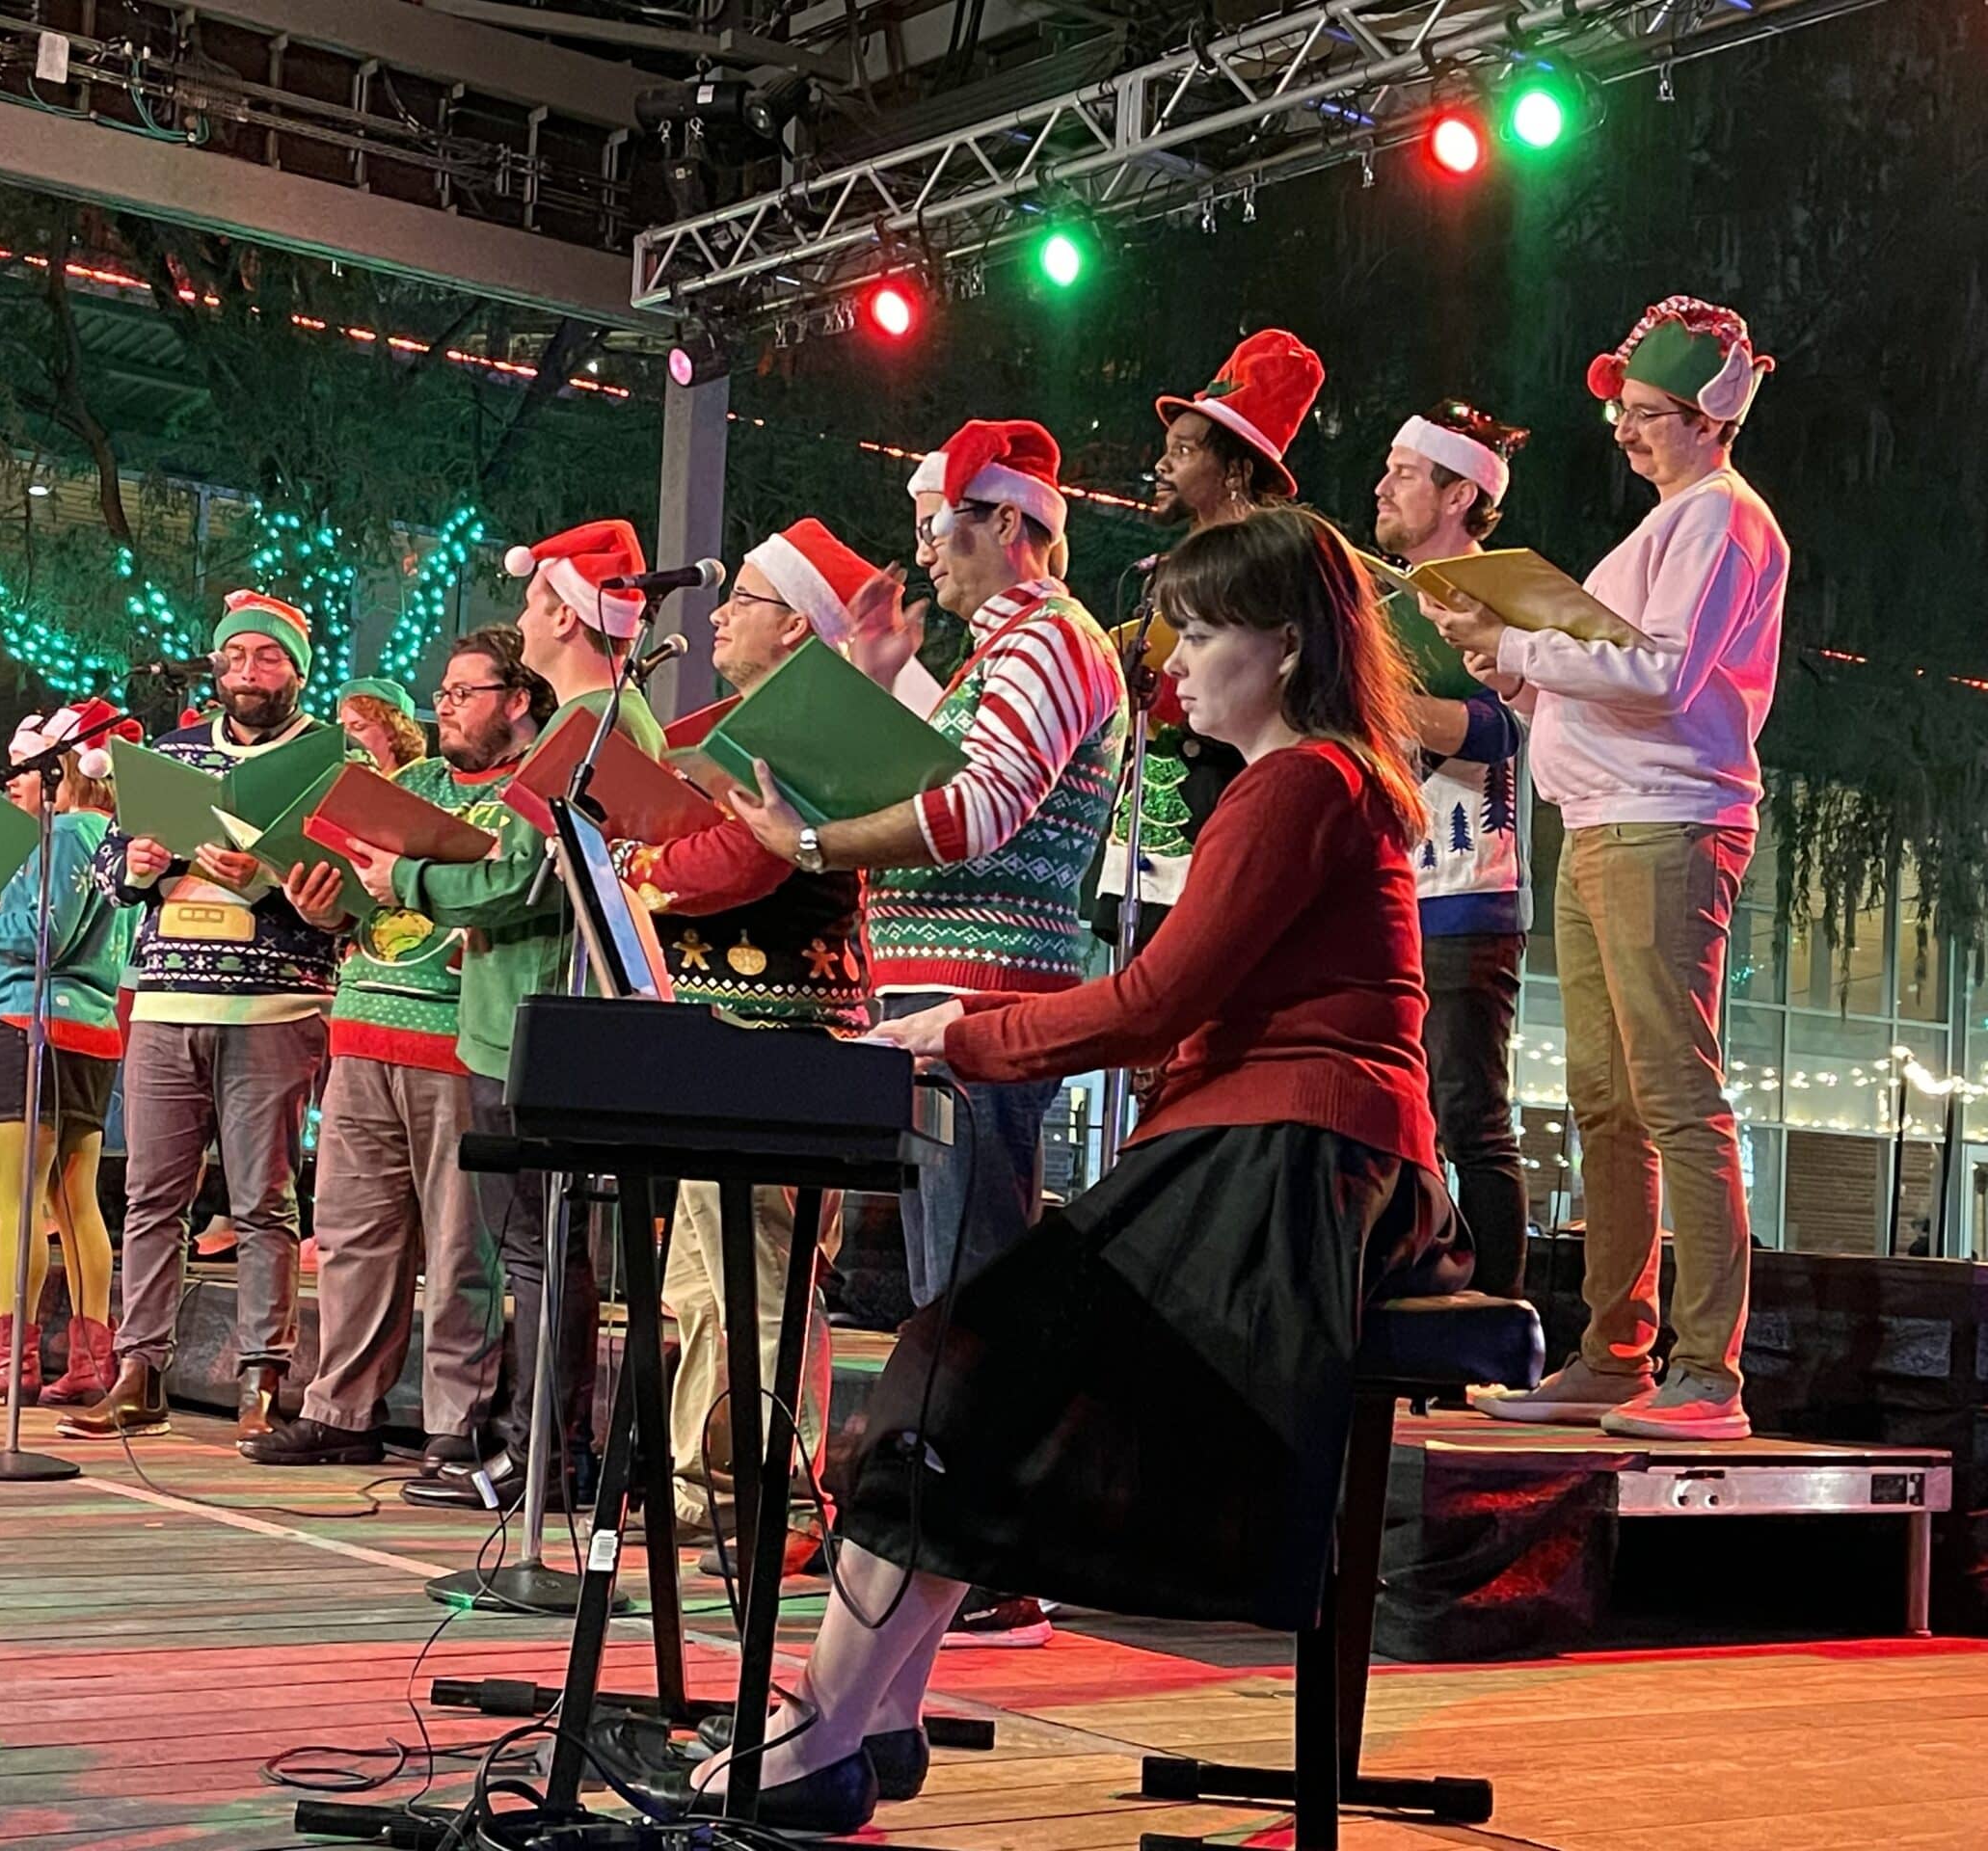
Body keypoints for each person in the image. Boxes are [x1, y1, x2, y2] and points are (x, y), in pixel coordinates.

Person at [668, 505, 1471, 1833]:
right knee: (960, 1376)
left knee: (957, 1375)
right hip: (1295, 1157)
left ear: (1279, 645)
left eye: (1205, 634)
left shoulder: (1300, 783)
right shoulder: (1316, 781)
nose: (1180, 665)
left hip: (1286, 1169)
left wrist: (965, 1037)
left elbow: (1151, 1003)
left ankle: (828, 1727)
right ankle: (867, 1715)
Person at [731, 423, 1125, 1645]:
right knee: (951, 1279)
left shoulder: (1052, 637)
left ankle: (993, 1561)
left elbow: (974, 809)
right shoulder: (1008, 650)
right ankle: (963, 1550)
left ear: (1009, 526)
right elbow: (954, 769)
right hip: (943, 995)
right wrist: (883, 681)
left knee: (972, 1282)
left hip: (981, 998)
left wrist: (807, 845)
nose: (923, 556)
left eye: (938, 529)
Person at [1441, 297, 1786, 1441]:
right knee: (1604, 1098)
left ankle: (1709, 1375)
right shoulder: (1671, 523)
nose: (1623, 430)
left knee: (1674, 1094)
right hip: (1600, 821)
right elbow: (1613, 681)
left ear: (1705, 418)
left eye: (1643, 412)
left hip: (1664, 821)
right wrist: (1511, 676)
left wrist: (1525, 648)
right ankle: (1615, 1354)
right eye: (1622, 411)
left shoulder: (1721, 523)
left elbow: (1663, 676)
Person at [348, 520, 669, 1514]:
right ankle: (537, 1448)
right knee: (536, 1247)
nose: (520, 618)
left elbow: (523, 878)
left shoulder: (596, 724)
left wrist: (402, 875)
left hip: (545, 1015)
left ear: (565, 612)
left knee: (540, 1246)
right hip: (514, 1014)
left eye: (533, 602)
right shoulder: (586, 720)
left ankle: (549, 1455)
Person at [619, 520, 879, 1576]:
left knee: (764, 1281)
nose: (718, 614)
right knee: (700, 1282)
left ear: (797, 630)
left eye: (747, 603)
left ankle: (783, 1496)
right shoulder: (738, 724)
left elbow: (744, 862)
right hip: (720, 1032)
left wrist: (645, 858)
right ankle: (699, 1485)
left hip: (790, 1035)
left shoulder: (817, 727)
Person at [241, 630, 549, 1473]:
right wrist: (320, 903)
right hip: (362, 1025)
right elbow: (357, 904)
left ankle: (458, 1421)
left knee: (461, 1249)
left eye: (463, 693)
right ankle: (342, 1407)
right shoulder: (411, 782)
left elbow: (511, 895)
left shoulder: (529, 795)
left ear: (517, 700)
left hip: (458, 1039)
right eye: (441, 694)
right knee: (351, 1232)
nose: (444, 707)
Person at [65, 590, 346, 1443]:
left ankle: (264, 1378)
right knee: (152, 1195)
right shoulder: (172, 756)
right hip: (165, 997)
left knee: (263, 1200)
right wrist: (141, 861)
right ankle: (140, 1371)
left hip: (275, 1001)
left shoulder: (329, 764)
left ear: (297, 669)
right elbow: (109, 871)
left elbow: (348, 894)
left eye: (267, 658)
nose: (248, 673)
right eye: (234, 658)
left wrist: (266, 878)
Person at [0, 700, 143, 1407]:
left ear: (64, 768)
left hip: (31, 1025)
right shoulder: (116, 838)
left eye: (31, 767)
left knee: (13, 1198)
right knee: (73, 1200)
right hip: (89, 1031)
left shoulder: (66, 836)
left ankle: (8, 1357)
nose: (19, 780)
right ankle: (90, 1358)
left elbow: (36, 936)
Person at [1374, 401, 1536, 1296]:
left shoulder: (1500, 596)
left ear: (1459, 492)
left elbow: (1507, 728)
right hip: (1390, 885)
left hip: (1471, 884)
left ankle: (1497, 1328)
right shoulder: (1385, 597)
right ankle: (1418, 1303)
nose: (1382, 486)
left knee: (1471, 1114)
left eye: (1403, 472)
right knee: (1402, 1114)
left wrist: (1374, 699)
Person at [1099, 330, 1325, 947]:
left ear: (1237, 470)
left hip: (1226, 814)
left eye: (1185, 451)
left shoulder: (1277, 571)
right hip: (1149, 837)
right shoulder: (1164, 570)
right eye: (1166, 450)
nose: (1163, 465)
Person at [336, 677, 426, 776]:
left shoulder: (420, 783)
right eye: (342, 730)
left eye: (358, 727)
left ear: (393, 732)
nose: (346, 737)